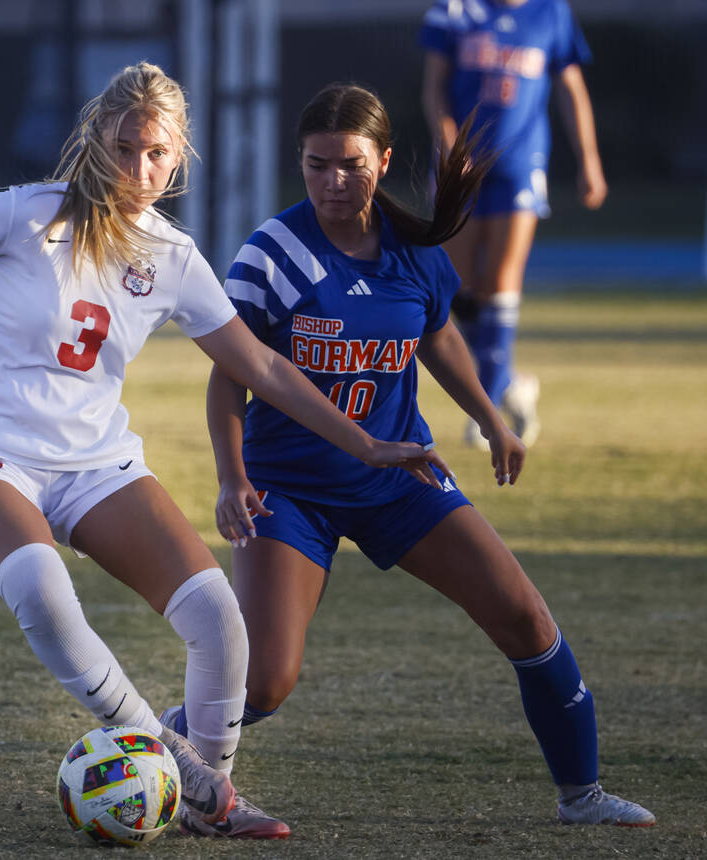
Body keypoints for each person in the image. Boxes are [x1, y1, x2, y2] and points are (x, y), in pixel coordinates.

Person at [0, 63, 449, 841]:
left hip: (96, 463)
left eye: (158, 154)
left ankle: (207, 800)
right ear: (98, 142)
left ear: (179, 158)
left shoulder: (172, 255)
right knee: (40, 587)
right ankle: (186, 773)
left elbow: (264, 367)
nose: (141, 170)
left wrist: (366, 442)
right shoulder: (26, 215)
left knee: (219, 619)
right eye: (127, 147)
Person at [197, 81, 654, 830]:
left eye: (349, 164)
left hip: (399, 477)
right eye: (315, 165)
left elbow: (437, 335)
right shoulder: (271, 254)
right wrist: (232, 477)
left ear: (384, 159)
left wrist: (491, 417)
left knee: (525, 619)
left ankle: (584, 795)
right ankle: (156, 751)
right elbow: (232, 377)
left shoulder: (413, 252)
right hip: (292, 491)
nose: (332, 182)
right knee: (267, 680)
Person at [420, 0, 608, 447]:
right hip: (461, 163)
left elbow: (570, 88)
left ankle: (485, 405)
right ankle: (509, 383)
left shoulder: (551, 12)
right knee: (458, 288)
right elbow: (432, 87)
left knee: (501, 281)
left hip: (520, 164)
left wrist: (589, 160)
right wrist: (449, 142)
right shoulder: (453, 8)